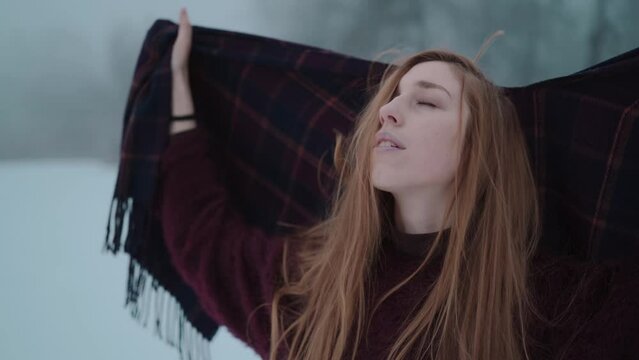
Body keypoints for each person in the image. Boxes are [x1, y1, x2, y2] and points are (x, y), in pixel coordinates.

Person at [161, 7, 638, 360]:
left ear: (481, 147)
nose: (387, 111)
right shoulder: (312, 284)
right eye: (391, 98)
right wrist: (182, 98)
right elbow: (204, 238)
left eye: (427, 103)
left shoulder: (546, 305)